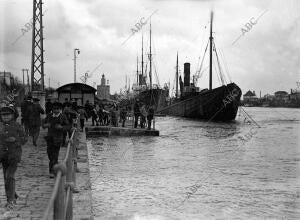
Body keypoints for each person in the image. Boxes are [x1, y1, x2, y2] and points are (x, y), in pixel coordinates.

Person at [0, 106, 27, 209]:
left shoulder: (17, 126)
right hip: (2, 156)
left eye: (7, 115)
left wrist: (15, 140)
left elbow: (24, 139)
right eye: (3, 115)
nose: (5, 117)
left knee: (9, 176)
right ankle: (13, 194)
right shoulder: (0, 126)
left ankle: (10, 200)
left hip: (14, 155)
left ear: (12, 115)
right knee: (6, 177)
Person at [42, 102, 70, 178]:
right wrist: (45, 125)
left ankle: (52, 171)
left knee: (55, 155)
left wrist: (61, 127)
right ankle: (55, 167)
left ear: (60, 109)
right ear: (52, 109)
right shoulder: (49, 115)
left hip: (58, 139)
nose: (56, 110)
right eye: (54, 109)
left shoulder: (63, 116)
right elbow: (43, 124)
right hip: (49, 138)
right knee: (50, 154)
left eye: (57, 109)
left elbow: (68, 126)